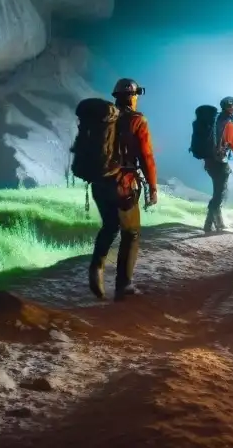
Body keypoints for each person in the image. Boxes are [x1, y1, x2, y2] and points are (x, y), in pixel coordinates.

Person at [88, 78, 158, 301]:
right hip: (123, 184)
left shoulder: (103, 119)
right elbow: (147, 157)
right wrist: (153, 187)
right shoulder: (138, 121)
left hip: (99, 182)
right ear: (131, 96)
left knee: (110, 226)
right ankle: (124, 285)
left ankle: (97, 266)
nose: (136, 99)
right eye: (136, 95)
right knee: (131, 233)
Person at [203, 96, 233, 233]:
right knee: (220, 194)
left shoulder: (215, 120)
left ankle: (215, 223)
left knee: (217, 191)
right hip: (220, 162)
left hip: (209, 162)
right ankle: (211, 225)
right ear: (229, 108)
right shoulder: (229, 125)